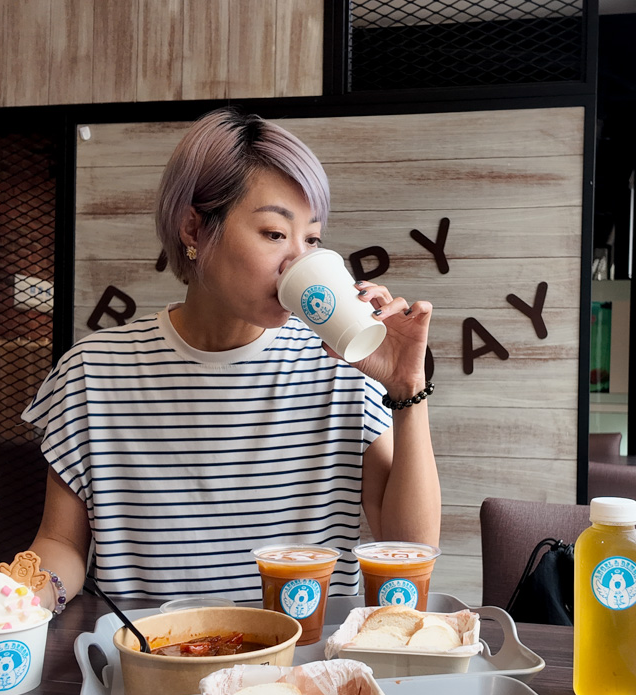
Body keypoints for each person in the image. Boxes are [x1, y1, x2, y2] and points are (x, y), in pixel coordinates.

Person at [22, 107, 441, 610]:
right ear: (194, 229)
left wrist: (405, 389)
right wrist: (16, 601)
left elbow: (410, 548)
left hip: (303, 671)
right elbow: (62, 544)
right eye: (273, 233)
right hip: (154, 669)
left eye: (311, 239)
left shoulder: (340, 367)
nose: (298, 260)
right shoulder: (93, 372)